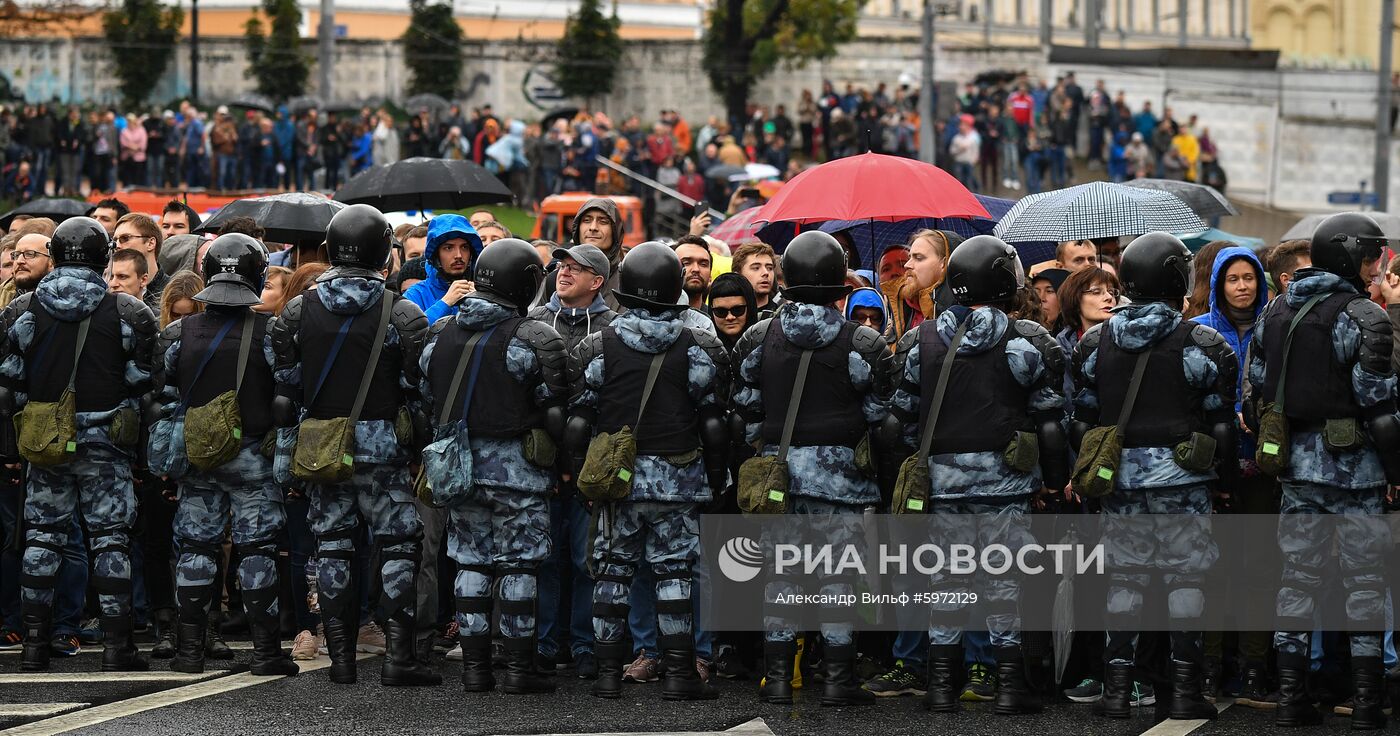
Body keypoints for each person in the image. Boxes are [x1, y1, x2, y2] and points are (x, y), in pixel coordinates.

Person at [887, 235, 1067, 715]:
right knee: (1002, 582)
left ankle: (941, 688)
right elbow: (1050, 421)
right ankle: (1008, 688)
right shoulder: (1025, 340)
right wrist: (1053, 481)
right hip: (1004, 483)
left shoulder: (919, 340)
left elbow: (899, 417)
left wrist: (918, 466)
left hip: (940, 485)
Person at [1070, 232, 1238, 722]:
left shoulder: (1094, 342)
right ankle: (1186, 691)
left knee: (1124, 580)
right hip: (1184, 479)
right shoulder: (1202, 342)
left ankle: (1117, 691)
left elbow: (1082, 418)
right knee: (1186, 579)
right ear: (1174, 278)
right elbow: (1221, 423)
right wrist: (1224, 481)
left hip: (1119, 479)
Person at [269, 204, 438, 687]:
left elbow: (286, 384)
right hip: (385, 447)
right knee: (400, 548)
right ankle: (398, 658)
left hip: (322, 446)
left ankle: (340, 659)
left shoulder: (299, 310)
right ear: (383, 252)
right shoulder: (402, 312)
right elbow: (418, 387)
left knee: (333, 547)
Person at [1245, 213, 1400, 729]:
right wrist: (1397, 468)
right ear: (1352, 257)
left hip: (1293, 466)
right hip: (1356, 469)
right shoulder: (1364, 316)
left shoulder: (1274, 312)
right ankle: (1366, 703)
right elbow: (1379, 405)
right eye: (1373, 254)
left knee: (1298, 579)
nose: (1378, 265)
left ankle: (1291, 699)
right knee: (1364, 583)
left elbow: (1255, 394)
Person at [566, 242, 731, 702]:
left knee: (613, 573)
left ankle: (605, 675)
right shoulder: (699, 345)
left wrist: (580, 476)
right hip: (678, 478)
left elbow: (577, 421)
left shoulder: (599, 345)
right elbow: (715, 424)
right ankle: (680, 674)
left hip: (616, 479)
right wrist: (717, 478)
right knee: (674, 573)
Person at [733, 231, 891, 707]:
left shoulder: (759, 336)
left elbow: (744, 401)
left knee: (781, 577)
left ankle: (779, 680)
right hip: (841, 479)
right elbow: (881, 408)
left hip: (777, 474)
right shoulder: (860, 340)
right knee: (838, 580)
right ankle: (838, 681)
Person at [4, 217, 158, 672]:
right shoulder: (129, 313)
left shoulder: (22, 310)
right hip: (106, 443)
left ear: (54, 255)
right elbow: (144, 382)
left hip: (44, 438)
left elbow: (8, 380)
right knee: (111, 541)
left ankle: (33, 645)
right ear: (103, 257)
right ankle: (117, 646)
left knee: (42, 539)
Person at [418, 237, 565, 693]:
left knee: (470, 564)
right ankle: (519, 670)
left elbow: (426, 393)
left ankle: (475, 669)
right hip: (517, 470)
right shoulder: (533, 336)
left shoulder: (440, 331)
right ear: (525, 282)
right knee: (518, 568)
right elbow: (555, 401)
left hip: (456, 467)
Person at [148, 234, 297, 677]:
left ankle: (189, 651)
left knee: (195, 549)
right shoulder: (273, 332)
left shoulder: (178, 332)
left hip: (197, 457)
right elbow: (288, 401)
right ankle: (267, 653)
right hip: (254, 457)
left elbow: (160, 400)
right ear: (256, 274)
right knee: (257, 552)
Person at [1187, 244, 1273, 703]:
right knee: (1212, 571)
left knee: (1259, 569)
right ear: (1218, 285)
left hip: (1265, 470)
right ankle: (1210, 668)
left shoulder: (1275, 328)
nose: (1242, 287)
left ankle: (1255, 669)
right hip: (1212, 471)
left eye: (1250, 278)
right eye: (1232, 280)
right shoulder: (1196, 333)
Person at [525, 243, 614, 678]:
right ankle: (543, 643)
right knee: (542, 557)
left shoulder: (613, 328)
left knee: (585, 560)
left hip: (588, 465)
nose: (564, 273)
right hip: (538, 462)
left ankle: (583, 645)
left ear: (597, 282)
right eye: (562, 266)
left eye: (577, 269)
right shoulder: (535, 321)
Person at [403, 215, 484, 325]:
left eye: (464, 247)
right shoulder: (416, 294)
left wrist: (481, 303)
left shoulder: (484, 290)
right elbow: (407, 335)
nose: (459, 255)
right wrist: (445, 303)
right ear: (436, 255)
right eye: (449, 248)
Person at [882, 230, 955, 339]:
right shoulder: (900, 310)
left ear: (944, 263)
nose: (907, 265)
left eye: (918, 258)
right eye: (910, 257)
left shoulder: (961, 318)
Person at [569, 198, 626, 308]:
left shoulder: (629, 280)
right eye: (587, 220)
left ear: (615, 231)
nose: (593, 227)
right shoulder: (559, 277)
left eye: (603, 221)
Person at [112, 213, 170, 311]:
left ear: (150, 243)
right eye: (115, 241)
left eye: (125, 238)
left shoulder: (172, 292)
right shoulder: (108, 287)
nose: (117, 245)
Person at [706, 272, 757, 350]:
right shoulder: (700, 348)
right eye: (720, 312)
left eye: (737, 310)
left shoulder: (766, 344)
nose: (730, 317)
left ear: (750, 308)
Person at [732, 242, 778, 318]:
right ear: (737, 275)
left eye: (769, 268)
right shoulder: (727, 316)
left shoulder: (783, 317)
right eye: (756, 268)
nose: (766, 273)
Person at [674, 236, 712, 310]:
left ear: (710, 275)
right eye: (686, 263)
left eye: (703, 264)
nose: (696, 269)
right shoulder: (653, 317)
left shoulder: (716, 319)